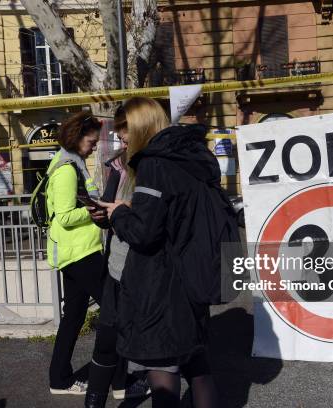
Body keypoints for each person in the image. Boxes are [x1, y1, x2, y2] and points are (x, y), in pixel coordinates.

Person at [98, 97, 220, 408]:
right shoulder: (192, 156)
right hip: (194, 274)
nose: (121, 138)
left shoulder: (154, 163)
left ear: (140, 127)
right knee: (196, 364)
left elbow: (144, 232)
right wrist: (134, 208)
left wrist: (119, 215)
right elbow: (176, 212)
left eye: (124, 130)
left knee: (163, 369)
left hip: (162, 283)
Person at [84, 106, 149, 407]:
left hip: (144, 269)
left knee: (156, 343)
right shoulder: (119, 166)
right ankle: (94, 401)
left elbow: (151, 224)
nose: (122, 146)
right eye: (120, 141)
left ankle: (139, 382)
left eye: (126, 140)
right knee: (106, 339)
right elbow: (110, 211)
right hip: (116, 268)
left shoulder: (154, 169)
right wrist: (100, 214)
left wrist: (123, 211)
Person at [47, 111, 105, 395]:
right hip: (80, 252)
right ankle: (119, 378)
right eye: (91, 142)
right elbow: (65, 216)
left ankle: (59, 380)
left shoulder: (73, 163)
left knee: (73, 318)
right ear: (77, 138)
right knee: (117, 309)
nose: (94, 146)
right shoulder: (67, 170)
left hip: (75, 252)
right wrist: (95, 212)